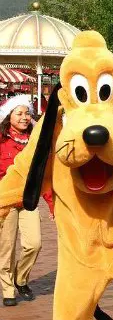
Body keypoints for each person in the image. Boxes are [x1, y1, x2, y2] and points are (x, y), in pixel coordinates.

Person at [0, 95, 53, 307]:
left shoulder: (36, 142)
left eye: (27, 113)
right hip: (5, 200)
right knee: (7, 248)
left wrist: (52, 204)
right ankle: (7, 289)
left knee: (34, 243)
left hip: (29, 199)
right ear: (9, 116)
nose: (24, 117)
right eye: (19, 113)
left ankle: (20, 279)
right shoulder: (1, 140)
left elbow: (44, 175)